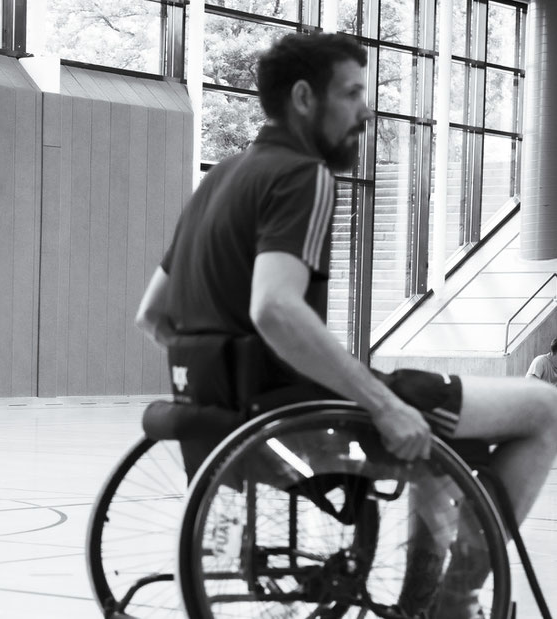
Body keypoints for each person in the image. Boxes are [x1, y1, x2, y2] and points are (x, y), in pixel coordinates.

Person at [135, 32, 557, 618]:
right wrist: (378, 405)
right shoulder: (303, 176)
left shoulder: (220, 178)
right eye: (354, 93)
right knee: (544, 407)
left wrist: (229, 380)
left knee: (448, 434)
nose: (365, 111)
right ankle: (453, 601)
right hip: (299, 415)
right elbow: (274, 309)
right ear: (305, 98)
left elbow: (153, 314)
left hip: (227, 413)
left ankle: (431, 600)